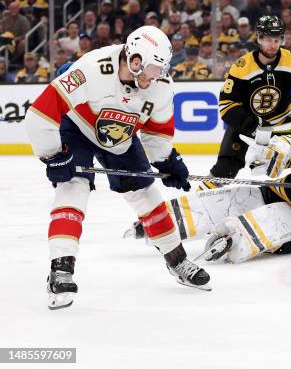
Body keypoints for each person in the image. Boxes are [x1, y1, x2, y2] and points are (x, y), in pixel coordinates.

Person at [24, 26, 211, 310]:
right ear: (135, 61)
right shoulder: (91, 68)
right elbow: (41, 112)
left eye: (162, 68)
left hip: (119, 137)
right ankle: (60, 269)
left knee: (146, 193)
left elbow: (157, 132)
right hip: (76, 128)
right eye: (153, 67)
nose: (158, 75)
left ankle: (177, 260)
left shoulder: (160, 86)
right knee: (73, 188)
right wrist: (52, 155)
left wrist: (166, 161)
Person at [126, 131, 291, 264]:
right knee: (230, 198)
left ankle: (230, 240)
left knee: (268, 221)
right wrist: (282, 149)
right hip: (278, 191)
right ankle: (165, 219)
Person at [211, 15, 291, 179]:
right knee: (225, 169)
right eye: (268, 40)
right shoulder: (241, 67)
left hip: (281, 125)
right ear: (259, 38)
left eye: (277, 40)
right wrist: (252, 125)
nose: (273, 45)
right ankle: (207, 194)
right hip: (249, 126)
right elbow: (227, 106)